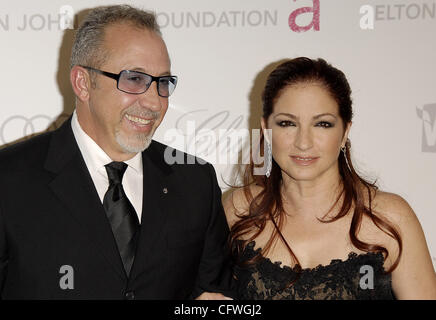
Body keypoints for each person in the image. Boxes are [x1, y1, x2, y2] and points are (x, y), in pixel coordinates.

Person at [0, 5, 233, 300]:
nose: (154, 102)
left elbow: (217, 295)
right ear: (83, 83)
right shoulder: (9, 181)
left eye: (162, 82)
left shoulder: (195, 182)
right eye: (134, 79)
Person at [224, 57, 436, 300]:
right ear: (266, 130)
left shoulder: (389, 218)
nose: (303, 142)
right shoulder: (240, 210)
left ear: (345, 131)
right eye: (287, 123)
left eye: (322, 124)